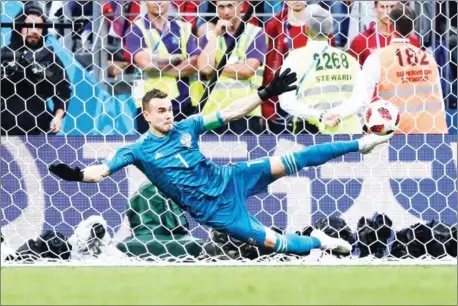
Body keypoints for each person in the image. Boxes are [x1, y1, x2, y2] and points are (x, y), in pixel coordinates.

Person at [48, 69, 393, 256]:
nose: (169, 114)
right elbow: (101, 171)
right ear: (147, 114)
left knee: (295, 159)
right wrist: (77, 175)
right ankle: (321, 241)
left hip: (231, 178)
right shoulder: (136, 150)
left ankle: (362, 144)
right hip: (217, 213)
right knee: (280, 244)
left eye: (170, 108)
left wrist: (263, 94)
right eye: (161, 111)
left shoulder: (187, 126)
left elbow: (228, 112)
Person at [322, 4, 448, 134]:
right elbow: (440, 100)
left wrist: (334, 113)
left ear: (390, 26)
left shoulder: (378, 58)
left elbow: (361, 99)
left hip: (395, 133)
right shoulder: (429, 59)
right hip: (433, 131)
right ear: (412, 27)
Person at [278, 4, 362, 135]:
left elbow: (286, 102)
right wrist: (337, 114)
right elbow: (362, 100)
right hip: (347, 131)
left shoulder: (295, 58)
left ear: (305, 28)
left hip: (310, 131)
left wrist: (320, 116)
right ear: (330, 30)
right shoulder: (349, 60)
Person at [125, 1, 203, 133]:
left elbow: (195, 63)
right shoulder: (136, 29)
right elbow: (145, 63)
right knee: (152, 151)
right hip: (151, 105)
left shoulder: (184, 27)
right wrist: (176, 59)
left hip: (185, 102)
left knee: (185, 150)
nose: (159, 2)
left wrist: (158, 63)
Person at [197, 0, 267, 135]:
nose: (226, 12)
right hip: (213, 112)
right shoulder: (211, 36)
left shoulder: (255, 33)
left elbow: (247, 70)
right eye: (221, 7)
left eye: (230, 6)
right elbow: (205, 68)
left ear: (241, 6)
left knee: (247, 156)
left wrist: (215, 66)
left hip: (245, 111)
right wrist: (216, 33)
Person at [1, 3, 71, 136]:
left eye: (38, 27)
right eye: (29, 26)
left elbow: (63, 91)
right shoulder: (4, 55)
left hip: (39, 132)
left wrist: (57, 117)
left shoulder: (49, 58)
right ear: (19, 27)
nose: (34, 31)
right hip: (4, 132)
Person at [347, 1, 420, 66]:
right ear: (375, 8)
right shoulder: (361, 41)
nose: (388, 12)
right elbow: (353, 75)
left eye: (393, 7)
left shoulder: (412, 41)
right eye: (383, 7)